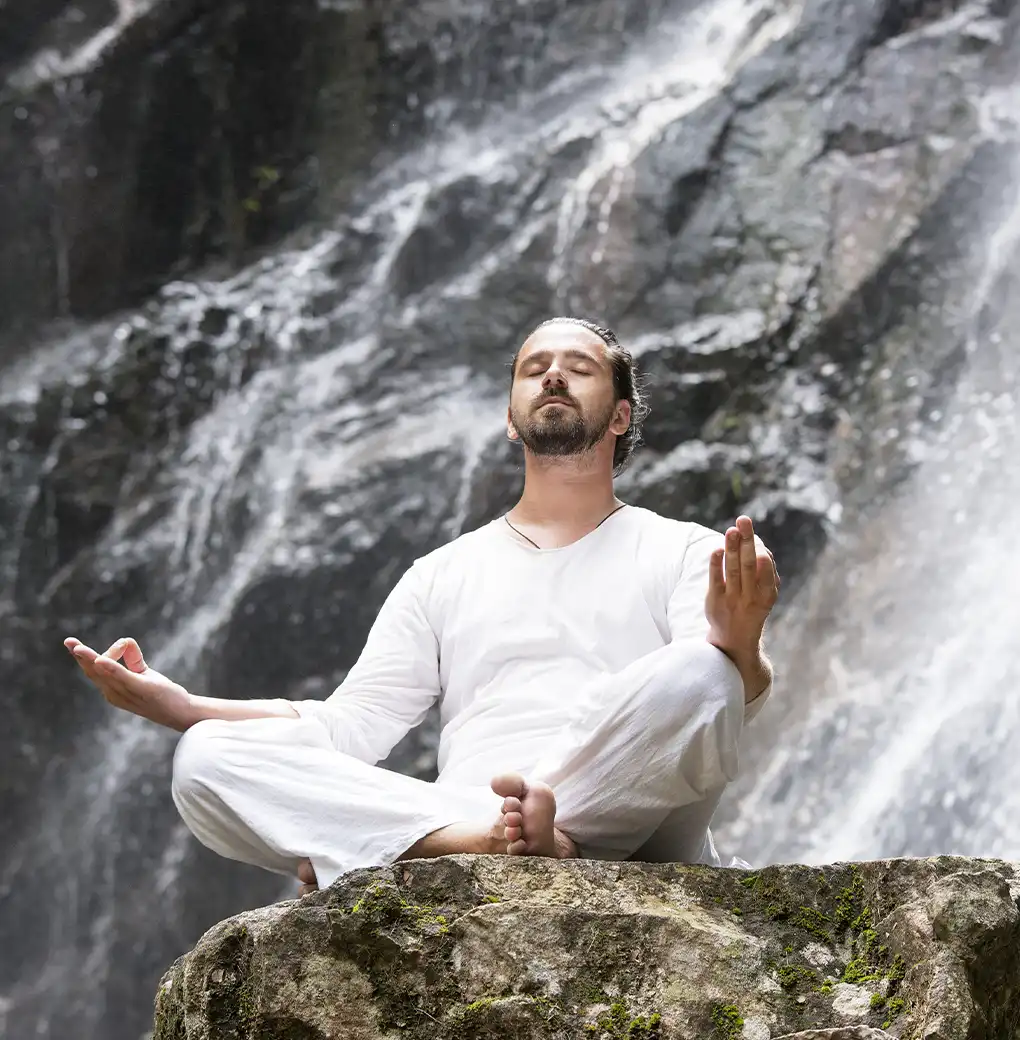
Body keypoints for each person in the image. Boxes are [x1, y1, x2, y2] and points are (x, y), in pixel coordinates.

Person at [65, 316, 779, 896]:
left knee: (702, 672)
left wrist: (739, 645)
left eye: (579, 367)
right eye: (535, 368)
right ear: (510, 418)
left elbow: (718, 699)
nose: (553, 374)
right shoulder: (440, 573)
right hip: (472, 810)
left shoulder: (684, 549)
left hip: (641, 815)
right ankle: (489, 843)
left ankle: (488, 839)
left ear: (621, 415)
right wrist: (184, 706)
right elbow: (350, 727)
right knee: (204, 758)